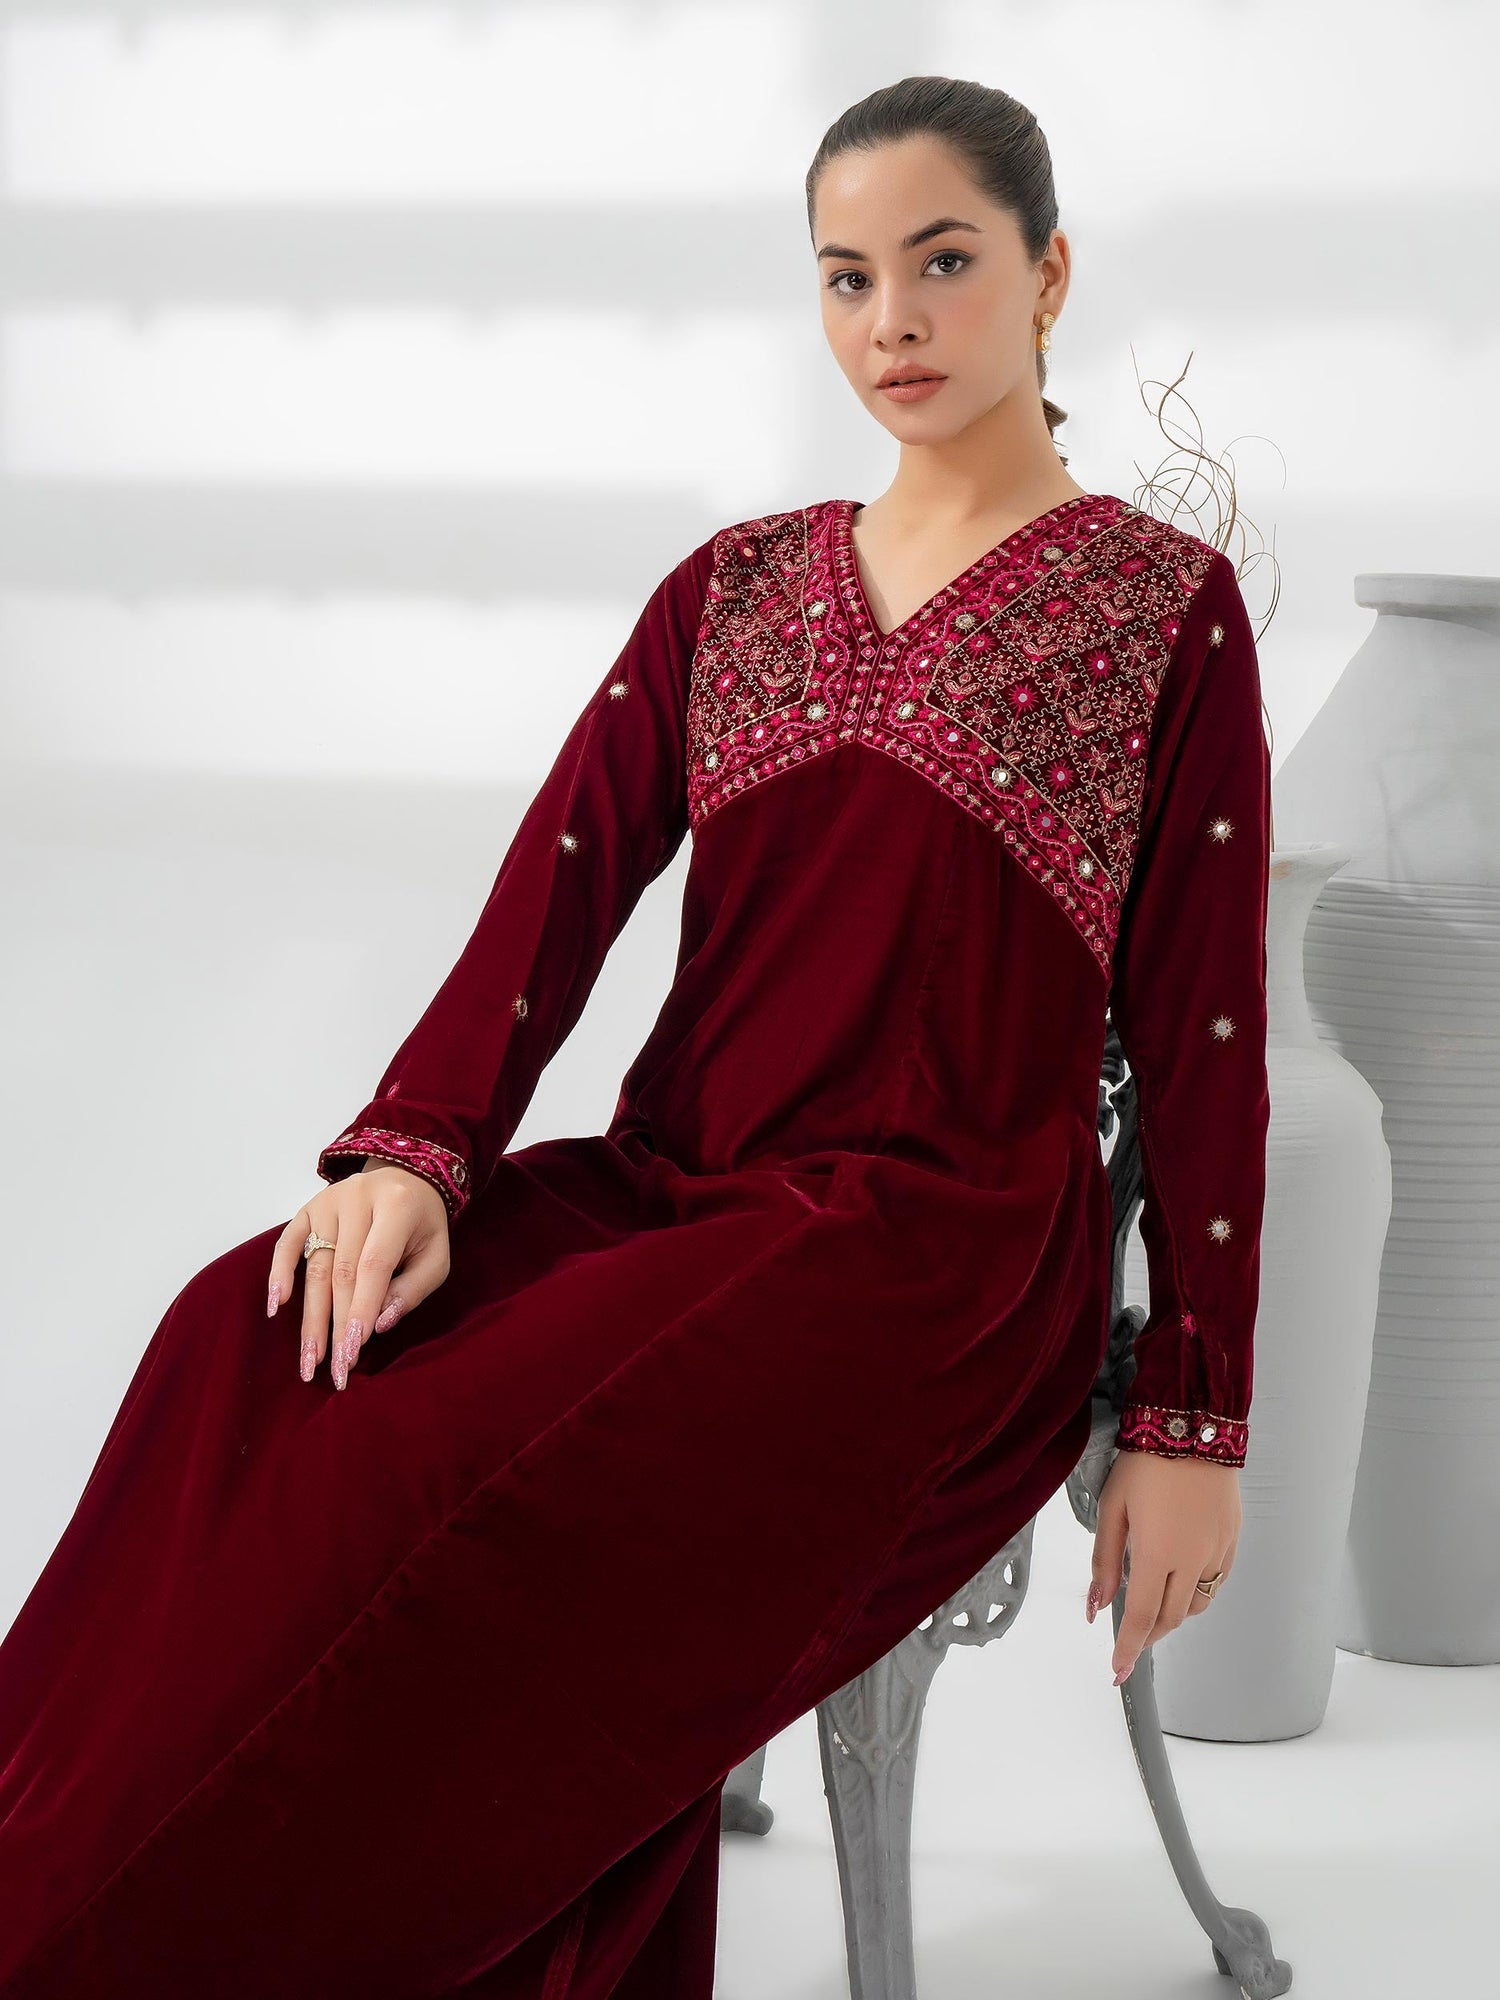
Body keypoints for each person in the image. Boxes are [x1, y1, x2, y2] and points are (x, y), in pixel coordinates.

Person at [0, 73, 1272, 2000]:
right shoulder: (736, 585)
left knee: (482, 1478)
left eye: (944, 264)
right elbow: (554, 895)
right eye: (847, 280)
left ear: (1049, 272)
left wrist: (1193, 1411)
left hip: (923, 1259)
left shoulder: (1159, 616)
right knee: (237, 1346)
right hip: (684, 1189)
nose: (894, 327)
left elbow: (1205, 1035)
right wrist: (412, 1152)